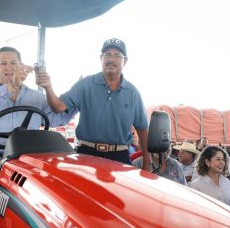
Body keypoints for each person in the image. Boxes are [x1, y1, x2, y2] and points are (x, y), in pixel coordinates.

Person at [0, 46, 75, 199]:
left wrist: (49, 88)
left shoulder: (37, 97)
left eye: (14, 63)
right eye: (3, 63)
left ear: (21, 66)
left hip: (26, 156)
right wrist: (13, 84)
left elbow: (58, 118)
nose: (9, 67)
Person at [36, 38, 151, 170]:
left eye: (117, 55)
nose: (111, 59)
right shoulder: (85, 85)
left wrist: (147, 163)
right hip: (86, 154)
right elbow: (58, 107)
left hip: (120, 158)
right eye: (107, 55)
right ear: (101, 58)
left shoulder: (133, 93)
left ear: (125, 60)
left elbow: (142, 128)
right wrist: (48, 87)